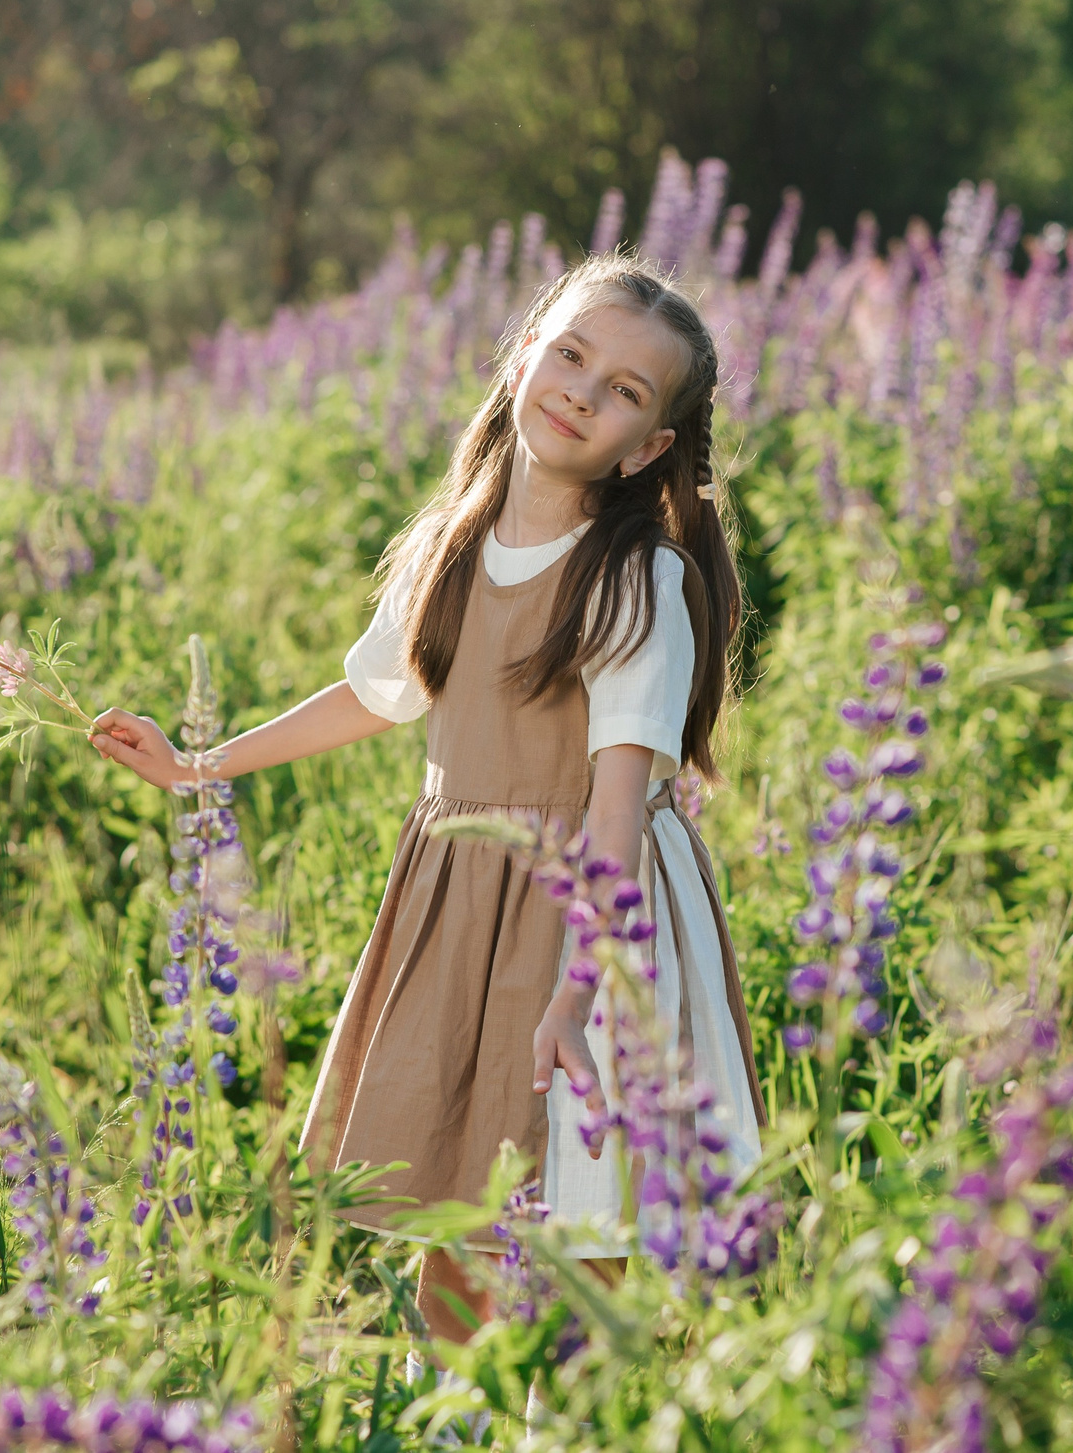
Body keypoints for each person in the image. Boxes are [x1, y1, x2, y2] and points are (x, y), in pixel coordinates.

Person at [89, 250, 765, 1341]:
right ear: (524, 354)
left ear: (648, 447)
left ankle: (575, 1412)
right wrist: (197, 765)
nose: (581, 392)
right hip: (462, 905)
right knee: (459, 1208)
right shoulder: (455, 544)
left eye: (623, 390)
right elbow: (376, 692)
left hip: (594, 919)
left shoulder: (631, 580)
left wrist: (578, 992)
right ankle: (456, 1407)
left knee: (582, 1223)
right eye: (571, 355)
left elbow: (614, 811)